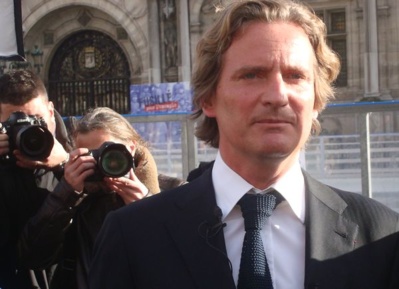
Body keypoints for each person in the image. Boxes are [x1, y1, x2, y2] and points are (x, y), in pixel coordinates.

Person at [89, 1, 399, 289]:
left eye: (295, 76)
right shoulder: (133, 235)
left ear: (316, 100)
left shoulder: (380, 235)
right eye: (252, 75)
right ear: (208, 97)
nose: (277, 96)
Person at [18, 107, 185, 289]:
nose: (104, 164)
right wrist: (66, 191)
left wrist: (146, 207)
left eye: (111, 153)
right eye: (92, 157)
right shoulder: (76, 201)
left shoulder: (173, 192)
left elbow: (187, 263)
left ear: (131, 147)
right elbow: (33, 256)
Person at [0, 69, 71, 289]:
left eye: (37, 119)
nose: (30, 131)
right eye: (16, 123)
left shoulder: (80, 148)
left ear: (51, 111)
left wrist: (65, 166)